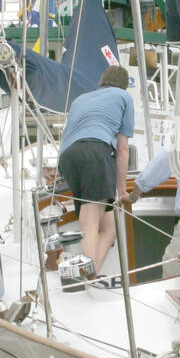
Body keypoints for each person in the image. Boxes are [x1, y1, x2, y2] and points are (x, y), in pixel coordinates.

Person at [57, 65, 134, 277]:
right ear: (124, 85)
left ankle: (92, 274)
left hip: (68, 158)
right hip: (95, 154)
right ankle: (86, 277)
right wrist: (122, 190)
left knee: (109, 228)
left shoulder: (81, 99)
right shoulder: (124, 98)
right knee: (90, 221)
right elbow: (123, 149)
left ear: (102, 81)